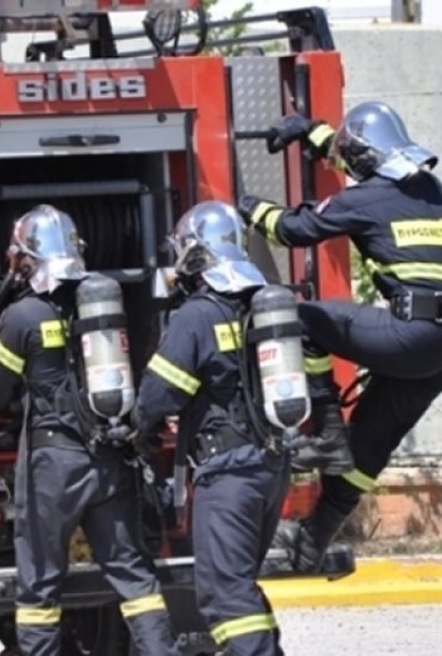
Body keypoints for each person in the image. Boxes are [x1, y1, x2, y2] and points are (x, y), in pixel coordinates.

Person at [236, 100, 442, 574]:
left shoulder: (362, 201)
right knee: (367, 446)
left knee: (301, 321)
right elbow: (364, 161)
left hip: (412, 335)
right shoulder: (428, 188)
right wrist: (312, 131)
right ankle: (312, 543)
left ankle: (326, 434)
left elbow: (290, 230)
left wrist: (245, 205)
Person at [0, 205, 177, 656]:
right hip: (110, 456)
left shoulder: (22, 316)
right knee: (133, 575)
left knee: (40, 583)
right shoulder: (108, 305)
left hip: (53, 466)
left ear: (27, 258)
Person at [131, 200, 295, 656]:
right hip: (270, 465)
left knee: (225, 595)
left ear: (196, 253)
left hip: (227, 474)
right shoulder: (260, 305)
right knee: (239, 584)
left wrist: (136, 431)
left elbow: (159, 395)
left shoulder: (197, 315)